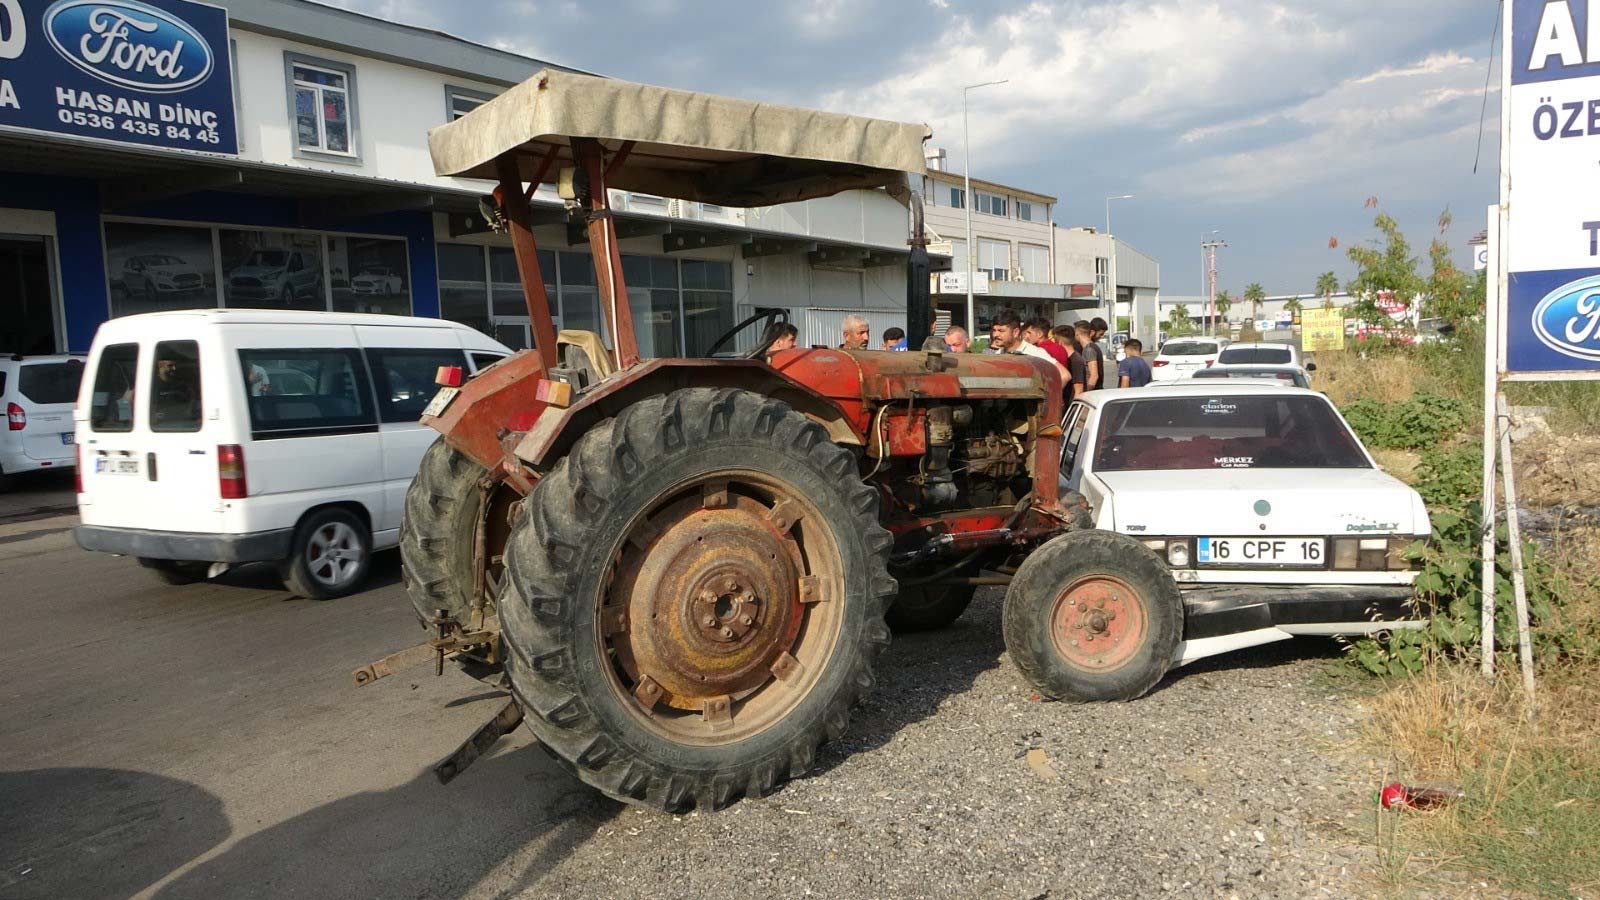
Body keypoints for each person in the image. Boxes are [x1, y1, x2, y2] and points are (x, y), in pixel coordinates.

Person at [990, 308, 1068, 382]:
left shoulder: (1034, 352)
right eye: (994, 330)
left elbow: (1064, 375)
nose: (995, 335)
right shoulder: (998, 354)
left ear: (1015, 332)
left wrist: (1049, 395)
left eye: (1001, 331)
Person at [1053, 324, 1087, 397]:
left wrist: (1073, 408)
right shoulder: (1070, 358)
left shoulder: (1076, 361)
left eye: (1055, 341)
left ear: (1059, 342)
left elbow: (1079, 390)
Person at [1074, 321, 1104, 391]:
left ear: (1077, 333)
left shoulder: (1088, 349)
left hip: (1092, 393)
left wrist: (1085, 393)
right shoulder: (1093, 347)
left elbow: (1094, 376)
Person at [1090, 317, 1113, 389]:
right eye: (1100, 334)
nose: (1101, 337)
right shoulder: (1089, 348)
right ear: (1092, 332)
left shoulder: (1092, 348)